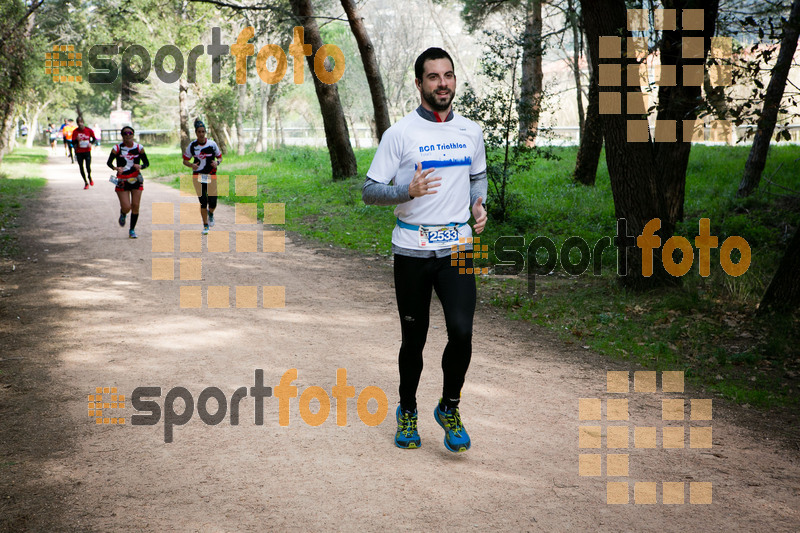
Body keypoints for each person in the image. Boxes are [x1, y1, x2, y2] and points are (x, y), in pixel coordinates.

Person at [362, 47, 487, 453]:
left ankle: (449, 407)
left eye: (448, 75)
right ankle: (408, 411)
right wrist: (406, 190)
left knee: (462, 332)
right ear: (419, 84)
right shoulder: (399, 135)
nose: (443, 83)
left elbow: (477, 177)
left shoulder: (471, 131)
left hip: (457, 248)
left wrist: (478, 204)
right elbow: (369, 191)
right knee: (413, 339)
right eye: (433, 77)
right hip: (412, 250)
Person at [107, 126, 149, 239]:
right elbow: (109, 163)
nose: (128, 135)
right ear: (122, 136)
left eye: (130, 133)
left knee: (135, 206)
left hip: (136, 179)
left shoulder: (139, 148)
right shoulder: (116, 148)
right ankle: (123, 213)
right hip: (122, 179)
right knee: (127, 207)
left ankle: (132, 230)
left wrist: (141, 166)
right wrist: (116, 168)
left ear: (133, 135)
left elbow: (146, 163)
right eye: (125, 133)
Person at [182, 119, 222, 235]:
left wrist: (217, 163)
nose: (201, 134)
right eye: (199, 131)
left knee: (213, 202)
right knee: (203, 202)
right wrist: (191, 165)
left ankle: (211, 213)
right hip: (198, 176)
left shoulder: (212, 144)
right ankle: (205, 225)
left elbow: (220, 157)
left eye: (203, 131)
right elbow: (185, 160)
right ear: (196, 133)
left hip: (211, 175)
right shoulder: (192, 146)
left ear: (205, 132)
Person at [73, 117, 97, 189]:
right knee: (81, 167)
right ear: (77, 123)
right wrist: (76, 140)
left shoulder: (88, 130)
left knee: (88, 167)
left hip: (87, 151)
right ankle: (86, 182)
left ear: (83, 122)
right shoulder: (75, 132)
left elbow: (95, 139)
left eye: (81, 122)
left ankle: (89, 176)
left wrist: (91, 143)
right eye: (78, 122)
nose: (80, 123)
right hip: (79, 152)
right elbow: (72, 142)